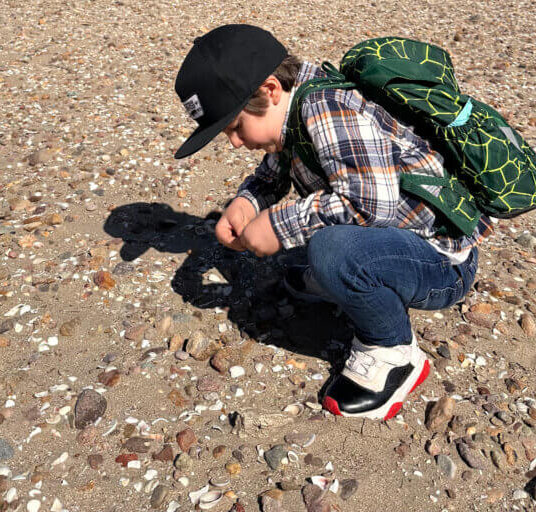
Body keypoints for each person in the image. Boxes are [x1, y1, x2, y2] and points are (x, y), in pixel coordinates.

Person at [174, 24, 490, 421]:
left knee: (330, 250)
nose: (235, 142)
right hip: (400, 245)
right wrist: (246, 202)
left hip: (442, 263)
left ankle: (392, 353)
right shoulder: (295, 108)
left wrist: (278, 224)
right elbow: (274, 173)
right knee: (319, 249)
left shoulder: (328, 108)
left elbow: (372, 205)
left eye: (235, 126)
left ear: (270, 90)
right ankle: (346, 279)